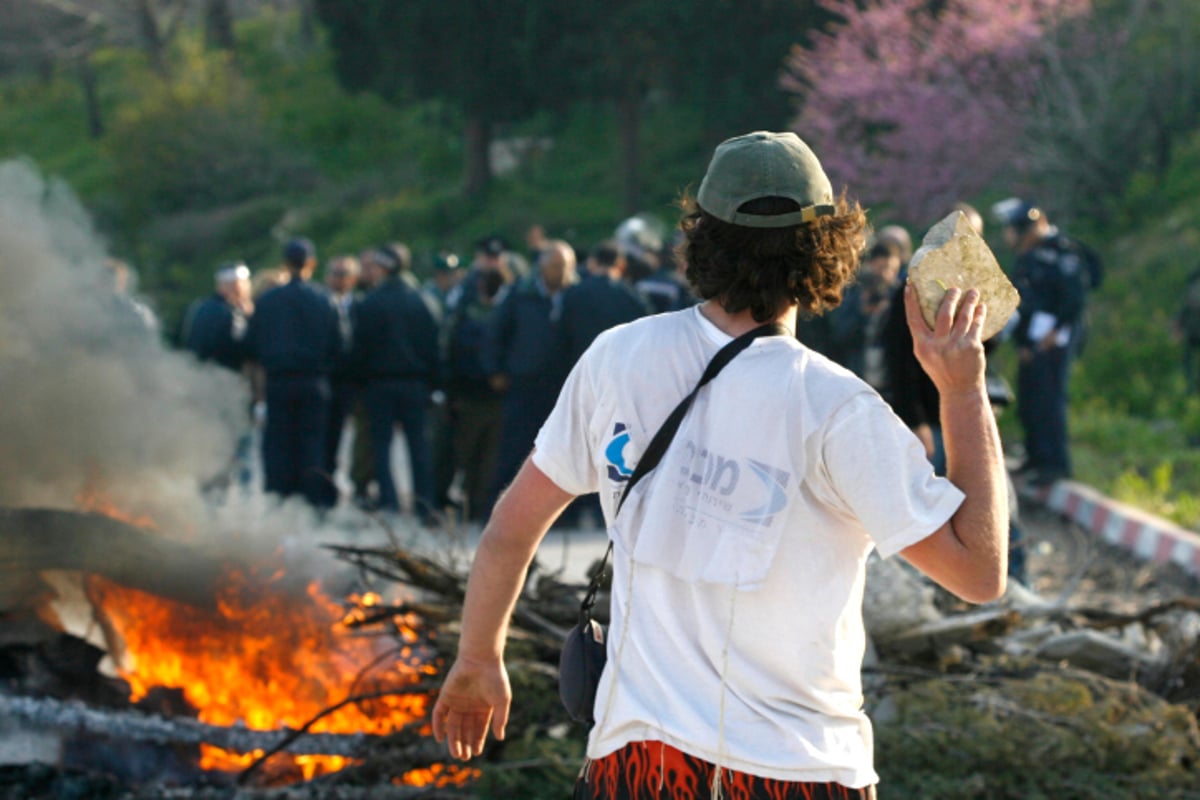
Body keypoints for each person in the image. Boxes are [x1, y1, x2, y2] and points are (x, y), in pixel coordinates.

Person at [432, 131, 1009, 798]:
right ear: (828, 248)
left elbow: (512, 526)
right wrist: (962, 392)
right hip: (798, 770)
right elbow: (979, 572)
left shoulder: (618, 359)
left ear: (700, 237)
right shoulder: (836, 409)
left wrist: (477, 658)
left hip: (638, 764)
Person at [992, 198, 1095, 486]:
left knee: (1050, 398)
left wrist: (1056, 332)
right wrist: (1023, 343)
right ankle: (1036, 457)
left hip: (1057, 338)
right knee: (1030, 397)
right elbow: (1022, 300)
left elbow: (1074, 298)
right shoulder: (1029, 256)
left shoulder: (1062, 251)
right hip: (1032, 339)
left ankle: (1055, 464)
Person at [480, 239, 578, 515]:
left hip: (561, 388)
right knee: (514, 450)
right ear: (542, 266)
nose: (561, 273)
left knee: (559, 454)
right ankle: (498, 510)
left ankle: (556, 515)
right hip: (523, 384)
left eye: (566, 267)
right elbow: (494, 334)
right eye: (556, 266)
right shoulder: (519, 294)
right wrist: (495, 370)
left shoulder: (576, 296)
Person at [246, 238, 341, 507]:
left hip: (278, 381)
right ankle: (311, 503)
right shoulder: (325, 300)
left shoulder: (267, 300)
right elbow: (339, 344)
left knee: (278, 443)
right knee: (312, 444)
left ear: (285, 264)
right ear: (311, 264)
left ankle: (278, 500)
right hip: (314, 381)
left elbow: (251, 343)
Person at [351, 242, 441, 522]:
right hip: (415, 384)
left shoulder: (370, 302)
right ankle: (424, 506)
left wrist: (361, 383)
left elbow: (359, 349)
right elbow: (434, 348)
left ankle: (389, 506)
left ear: (385, 268)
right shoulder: (422, 300)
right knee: (419, 448)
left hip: (379, 384)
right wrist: (434, 385)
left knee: (382, 447)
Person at [319, 254, 361, 507]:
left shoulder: (360, 306)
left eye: (344, 274)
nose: (338, 279)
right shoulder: (318, 303)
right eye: (335, 273)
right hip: (324, 381)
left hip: (349, 383)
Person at [181, 261, 253, 372]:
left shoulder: (198, 306)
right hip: (223, 378)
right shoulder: (233, 313)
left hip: (195, 375)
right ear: (236, 285)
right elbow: (240, 347)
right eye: (244, 283)